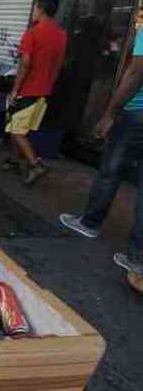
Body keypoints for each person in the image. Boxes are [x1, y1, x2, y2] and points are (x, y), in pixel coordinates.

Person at [59, 26, 143, 288]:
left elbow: (136, 73)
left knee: (111, 169)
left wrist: (110, 112)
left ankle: (90, 222)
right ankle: (138, 257)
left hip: (136, 115)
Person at [4, 0, 67, 185]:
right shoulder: (61, 35)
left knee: (16, 131)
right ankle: (14, 162)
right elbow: (58, 64)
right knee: (16, 125)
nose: (33, 12)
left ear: (40, 9)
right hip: (44, 91)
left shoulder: (32, 33)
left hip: (28, 89)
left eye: (34, 8)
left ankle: (35, 164)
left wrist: (15, 89)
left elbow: (25, 63)